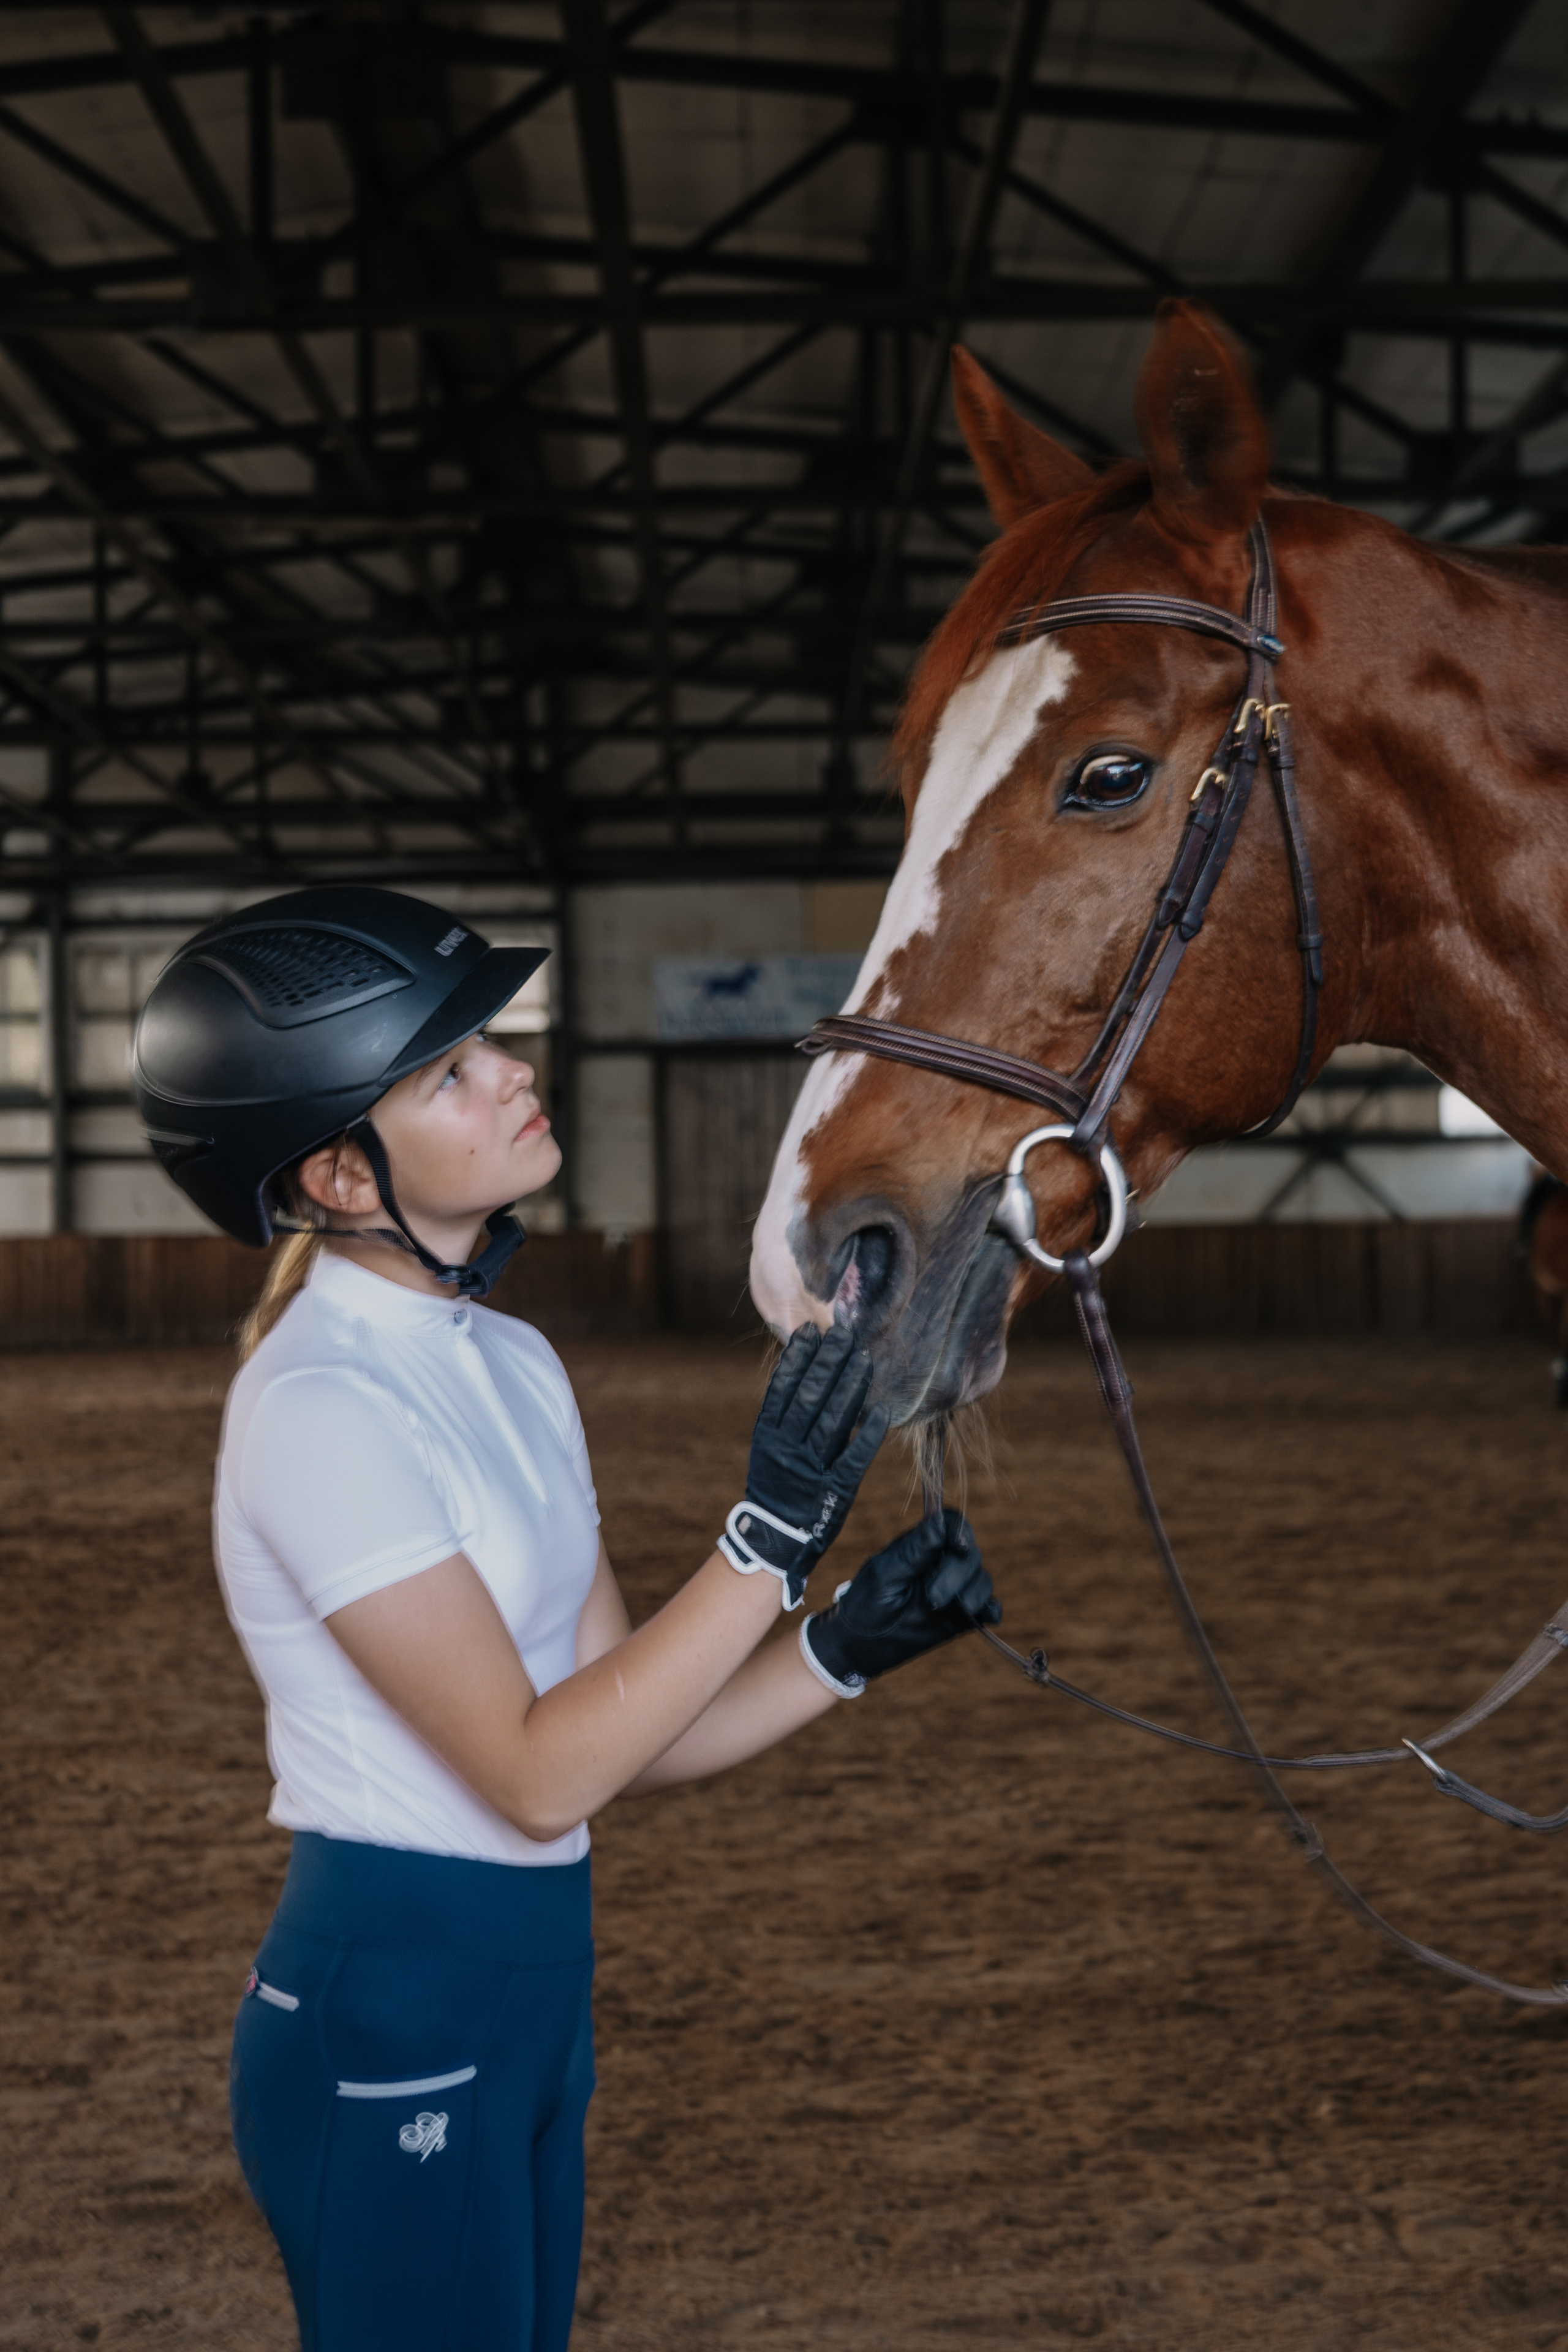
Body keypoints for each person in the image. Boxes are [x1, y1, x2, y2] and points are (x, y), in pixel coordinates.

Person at [131, 886, 1000, 2352]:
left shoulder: (513, 1359)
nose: (515, 1068)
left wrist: (838, 1643)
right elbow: (535, 1779)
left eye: (491, 1044)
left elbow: (613, 1728)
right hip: (398, 2006)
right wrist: (766, 1535)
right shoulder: (320, 1404)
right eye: (451, 1072)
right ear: (342, 1177)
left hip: (527, 1993)